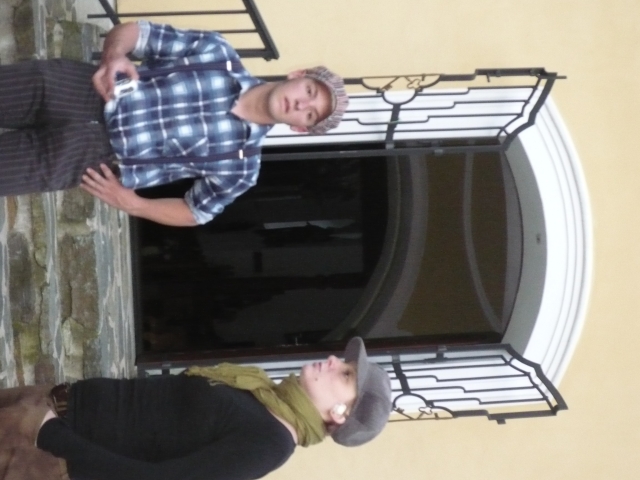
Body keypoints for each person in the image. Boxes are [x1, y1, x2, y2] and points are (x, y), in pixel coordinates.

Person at [0, 20, 349, 226]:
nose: (301, 103)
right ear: (298, 74)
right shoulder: (217, 53)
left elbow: (197, 212)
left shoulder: (242, 167)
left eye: (309, 113)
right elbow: (138, 32)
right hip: (77, 89)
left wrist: (134, 204)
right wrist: (115, 56)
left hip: (85, 159)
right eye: (309, 91)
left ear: (300, 128)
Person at [0, 337, 392, 480]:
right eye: (344, 362)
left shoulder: (270, 444)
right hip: (49, 403)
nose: (332, 360)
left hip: (42, 451)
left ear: (339, 414)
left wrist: (51, 436)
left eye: (345, 374)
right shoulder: (260, 391)